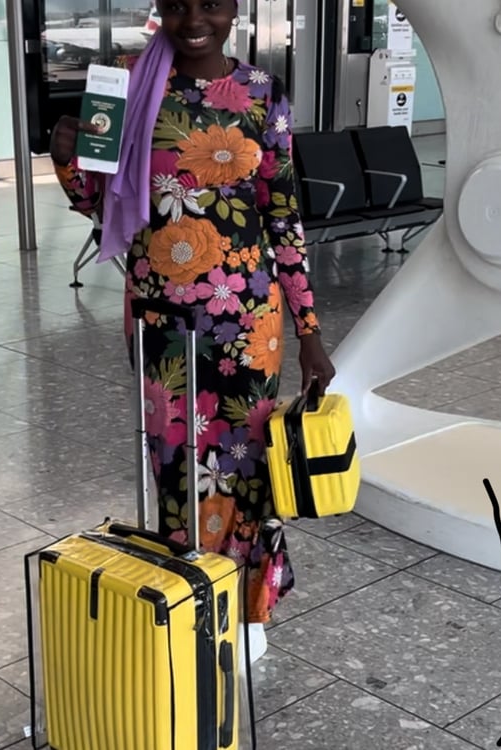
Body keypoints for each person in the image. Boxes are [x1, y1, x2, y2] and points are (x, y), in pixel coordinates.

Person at [49, 0, 335, 663]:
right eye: (177, 5)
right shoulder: (120, 84)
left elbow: (284, 218)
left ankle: (249, 608)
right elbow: (100, 204)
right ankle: (192, 600)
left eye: (210, 3)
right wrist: (68, 164)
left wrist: (310, 330)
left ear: (234, 8)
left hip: (246, 322)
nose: (193, 19)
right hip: (161, 320)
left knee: (247, 471)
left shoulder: (264, 94)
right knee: (175, 469)